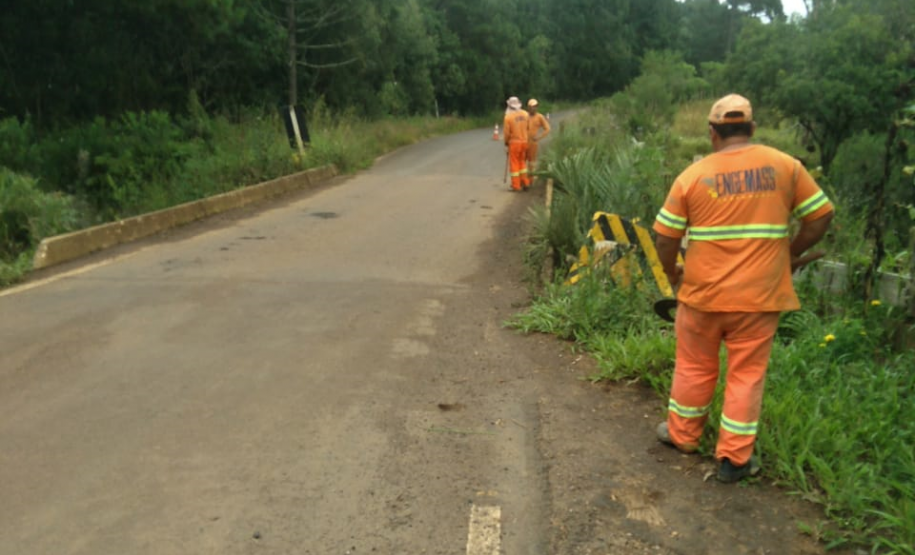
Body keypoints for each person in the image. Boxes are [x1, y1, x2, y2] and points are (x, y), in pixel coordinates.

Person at [652, 94, 834, 483]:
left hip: (701, 295)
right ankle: (734, 460)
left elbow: (665, 237)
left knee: (694, 365)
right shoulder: (786, 167)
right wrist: (789, 252)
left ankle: (683, 437)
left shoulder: (693, 175)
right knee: (746, 374)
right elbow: (821, 215)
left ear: (713, 132)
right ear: (752, 129)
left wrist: (672, 272)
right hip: (759, 298)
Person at [503, 96, 531, 192]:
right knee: (522, 162)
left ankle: (516, 185)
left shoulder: (508, 117)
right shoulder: (525, 114)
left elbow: (507, 133)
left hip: (514, 143)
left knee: (514, 164)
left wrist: (506, 142)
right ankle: (525, 182)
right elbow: (528, 128)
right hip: (525, 141)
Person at [526, 98, 551, 174]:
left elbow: (547, 129)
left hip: (533, 143)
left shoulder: (539, 117)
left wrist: (539, 137)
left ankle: (531, 178)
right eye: (532, 106)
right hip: (523, 142)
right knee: (522, 162)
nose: (534, 108)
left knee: (532, 162)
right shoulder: (524, 116)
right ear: (529, 107)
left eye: (535, 106)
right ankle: (523, 179)